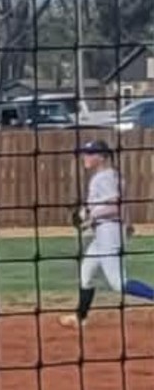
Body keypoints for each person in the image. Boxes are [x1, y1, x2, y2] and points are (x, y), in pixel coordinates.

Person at [59, 139, 154, 329]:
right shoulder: (111, 175)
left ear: (102, 157)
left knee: (118, 283)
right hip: (105, 232)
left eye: (90, 153)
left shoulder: (103, 178)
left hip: (108, 232)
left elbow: (115, 206)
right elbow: (120, 204)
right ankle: (80, 317)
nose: (85, 157)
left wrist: (90, 217)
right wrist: (127, 224)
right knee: (87, 273)